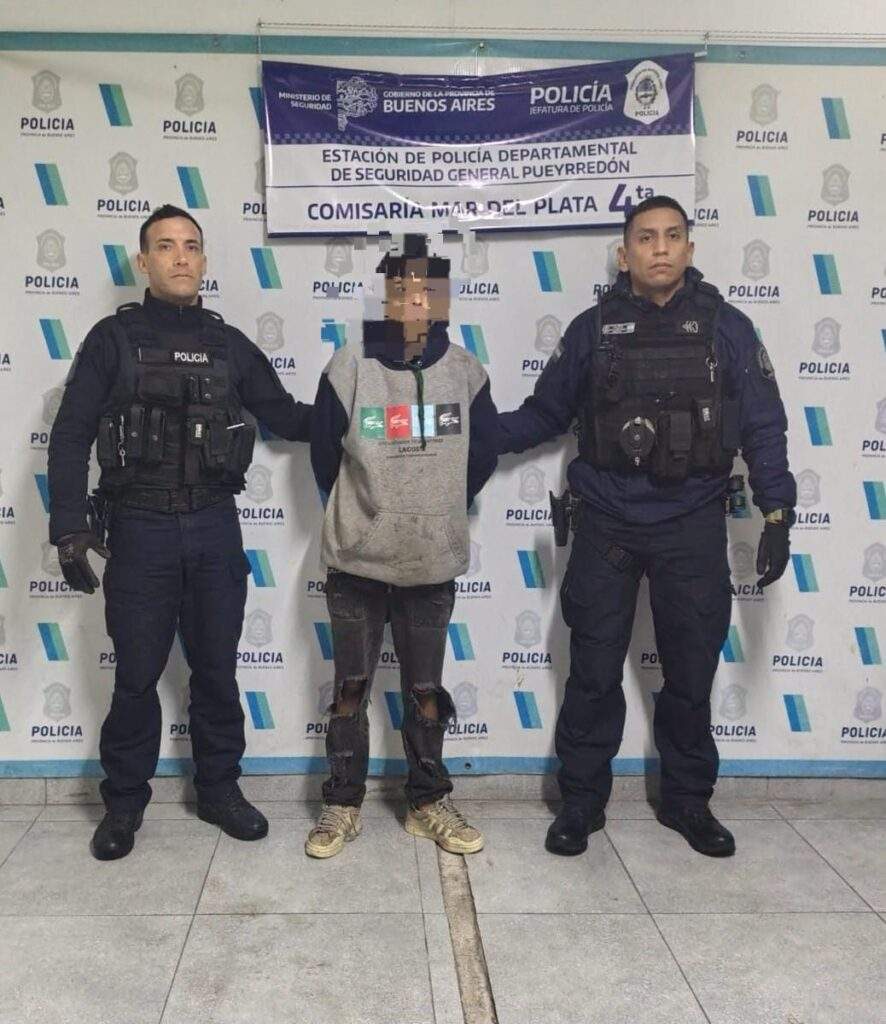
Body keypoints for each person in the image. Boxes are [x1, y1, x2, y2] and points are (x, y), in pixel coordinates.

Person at [499, 196, 796, 858]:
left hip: (692, 522)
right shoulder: (593, 330)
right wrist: (471, 433)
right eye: (645, 238)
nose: (659, 248)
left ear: (689, 248)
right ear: (624, 252)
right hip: (607, 520)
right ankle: (581, 802)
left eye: (671, 236)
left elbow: (763, 425)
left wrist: (777, 511)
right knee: (593, 671)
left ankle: (688, 801)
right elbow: (544, 414)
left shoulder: (727, 328)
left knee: (690, 673)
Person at [47, 205, 312, 860]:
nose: (180, 256)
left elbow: (286, 416)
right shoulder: (112, 340)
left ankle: (220, 790)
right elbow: (71, 433)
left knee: (217, 670)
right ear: (144, 261)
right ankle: (124, 803)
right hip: (139, 529)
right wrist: (69, 524)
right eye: (165, 246)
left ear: (204, 260)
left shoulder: (228, 345)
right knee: (137, 675)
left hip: (214, 526)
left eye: (191, 245)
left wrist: (365, 406)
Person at [306, 234, 498, 858]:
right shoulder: (349, 367)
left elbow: (483, 455)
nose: (415, 298)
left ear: (443, 299)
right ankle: (342, 805)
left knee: (425, 693)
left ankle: (426, 801)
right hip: (356, 563)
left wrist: (434, 508)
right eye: (402, 288)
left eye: (427, 288)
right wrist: (369, 518)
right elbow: (323, 457)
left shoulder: (466, 371)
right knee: (350, 691)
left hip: (431, 561)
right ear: (385, 297)